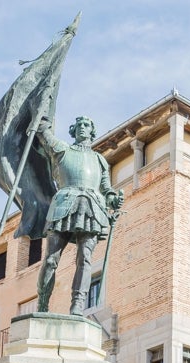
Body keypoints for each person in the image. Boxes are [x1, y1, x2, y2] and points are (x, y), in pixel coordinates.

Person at [34, 115, 124, 315]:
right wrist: (40, 113)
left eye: (86, 125)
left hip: (92, 207)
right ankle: (42, 302)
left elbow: (106, 189)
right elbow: (43, 133)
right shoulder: (62, 149)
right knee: (51, 259)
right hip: (64, 204)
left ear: (92, 131)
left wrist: (113, 200)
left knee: (85, 258)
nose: (82, 127)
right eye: (79, 125)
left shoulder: (99, 160)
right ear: (73, 130)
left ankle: (78, 303)